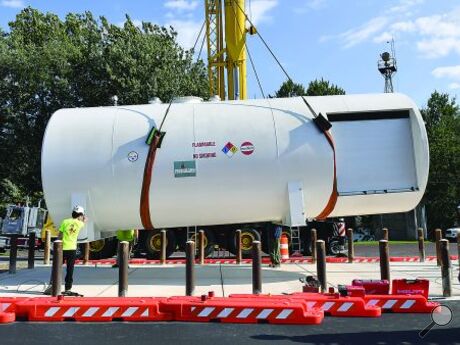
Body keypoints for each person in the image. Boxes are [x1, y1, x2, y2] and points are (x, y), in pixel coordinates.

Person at [44, 205, 86, 295]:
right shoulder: (80, 224)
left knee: (56, 268)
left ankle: (52, 286)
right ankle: (68, 288)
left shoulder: (65, 221)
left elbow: (60, 235)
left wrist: (57, 244)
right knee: (70, 269)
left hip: (62, 248)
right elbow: (84, 221)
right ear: (80, 215)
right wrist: (83, 218)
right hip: (72, 249)